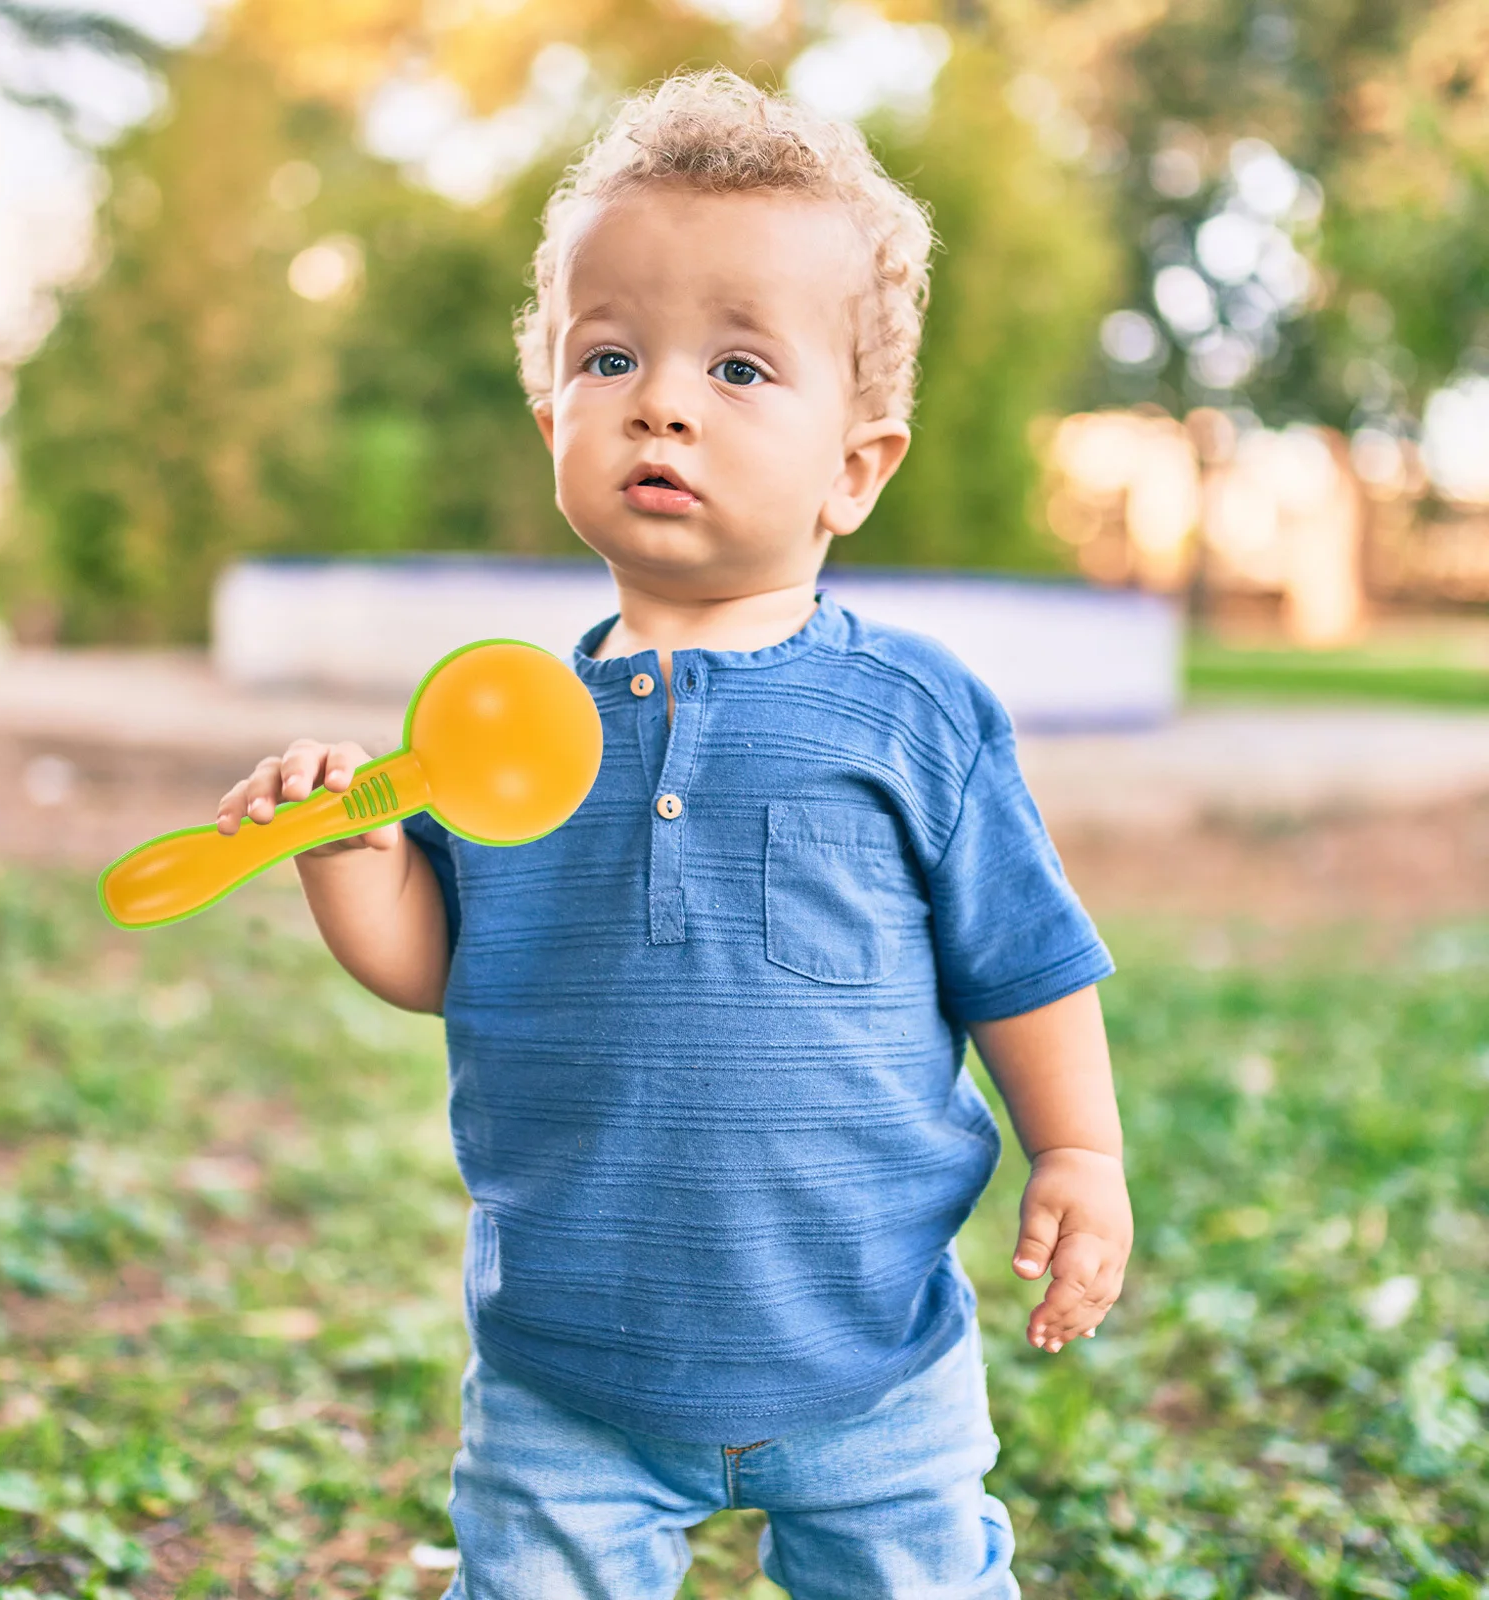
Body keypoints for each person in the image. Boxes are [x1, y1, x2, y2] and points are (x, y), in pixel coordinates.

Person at [217, 69, 1133, 1600]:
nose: (664, 399)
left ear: (859, 463)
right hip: (570, 1361)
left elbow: (1022, 960)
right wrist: (354, 854)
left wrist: (1081, 1147)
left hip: (869, 1356)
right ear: (551, 416)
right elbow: (440, 964)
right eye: (613, 354)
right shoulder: (499, 729)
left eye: (741, 367)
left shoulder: (911, 713)